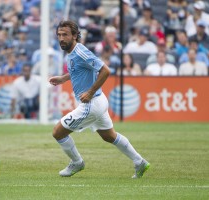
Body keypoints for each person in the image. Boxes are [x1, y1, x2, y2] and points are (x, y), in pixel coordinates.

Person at [49, 20, 150, 178]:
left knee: (58, 132)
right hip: (99, 101)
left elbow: (105, 70)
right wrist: (63, 78)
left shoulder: (80, 51)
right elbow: (79, 70)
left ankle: (77, 163)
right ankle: (140, 162)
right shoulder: (72, 53)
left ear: (75, 35)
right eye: (59, 35)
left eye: (65, 35)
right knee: (109, 136)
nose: (61, 38)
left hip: (91, 103)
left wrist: (89, 92)